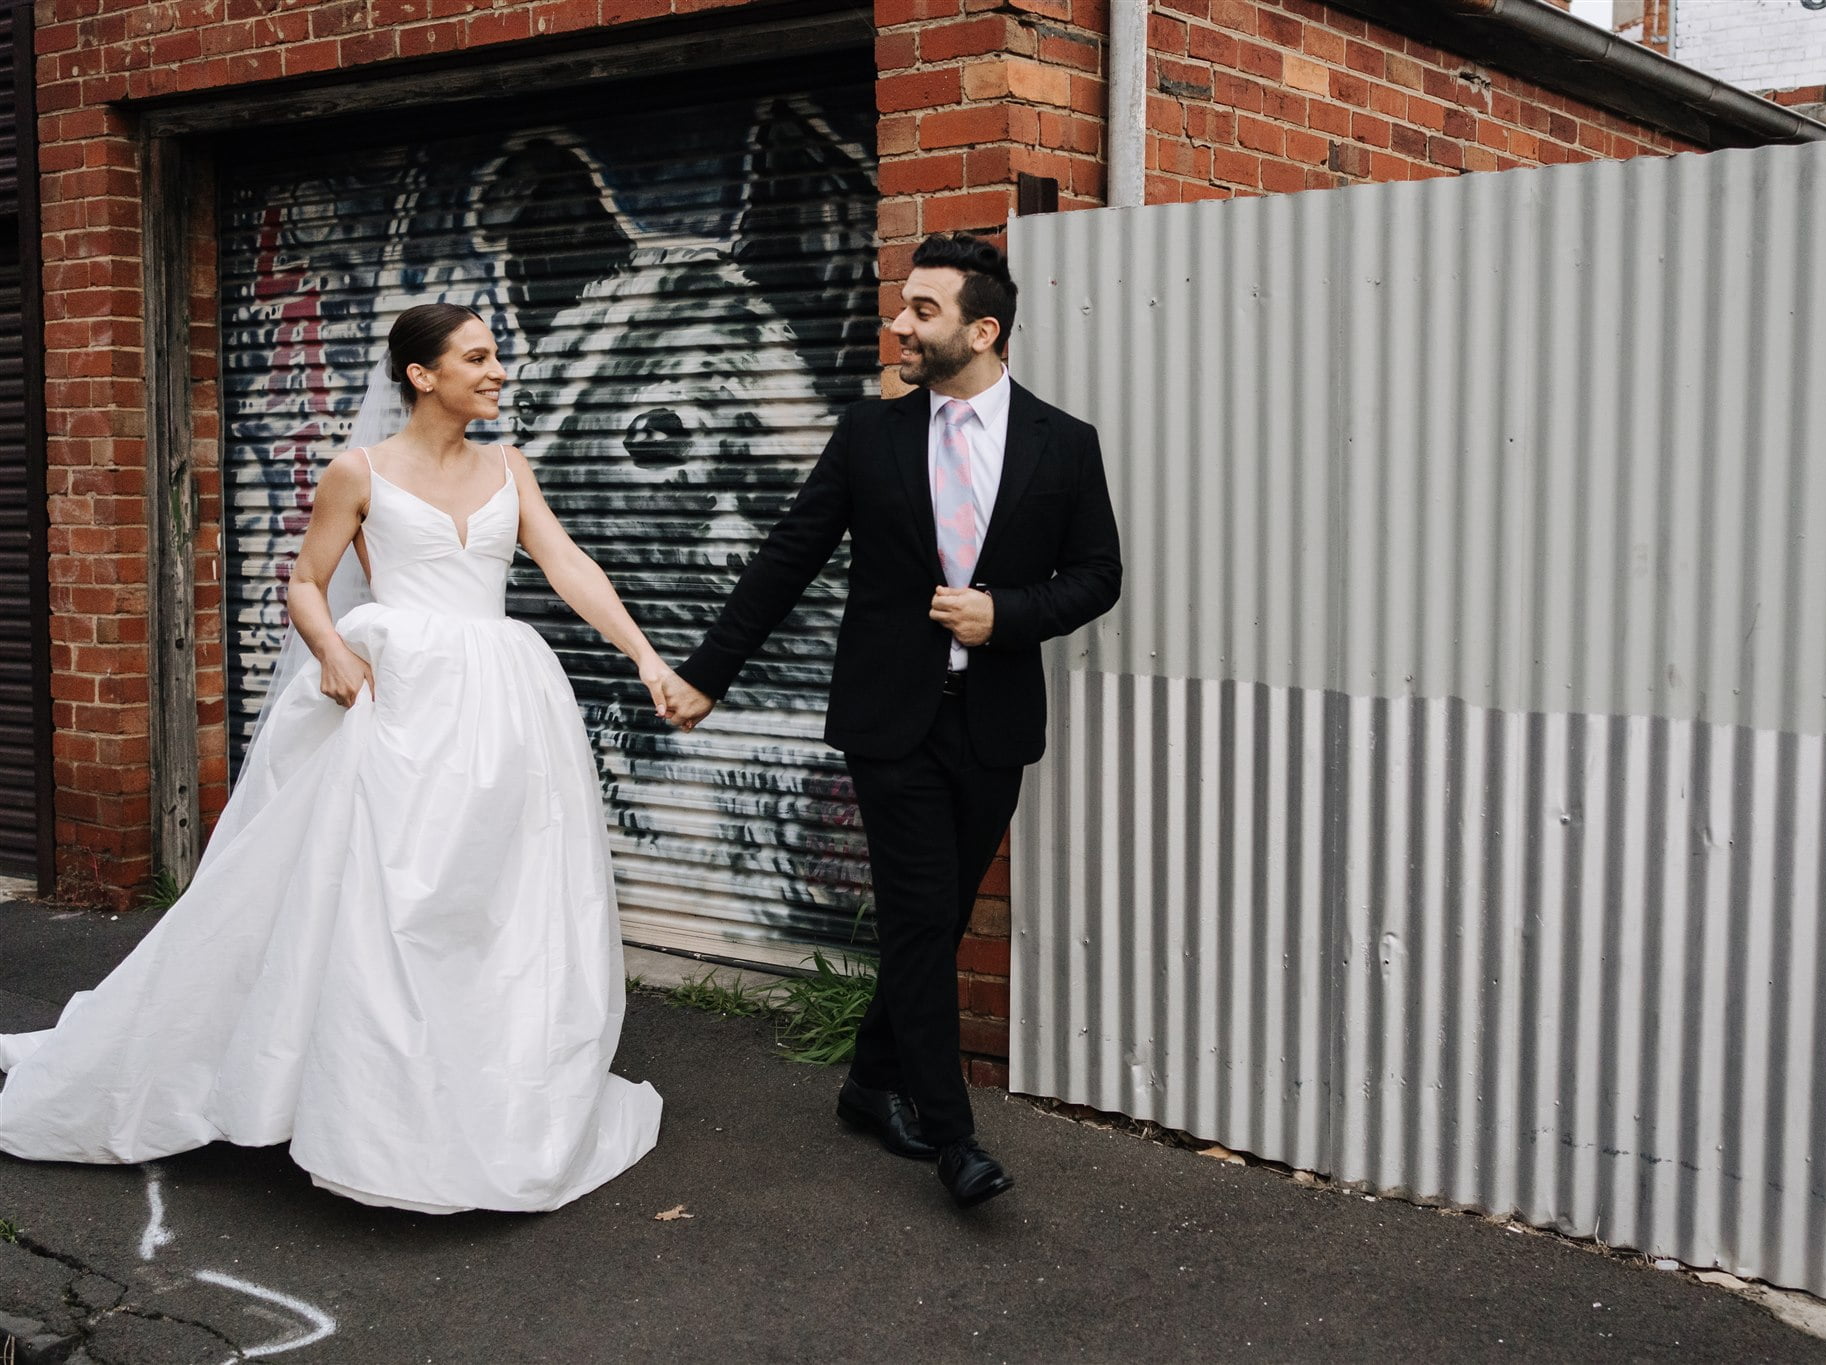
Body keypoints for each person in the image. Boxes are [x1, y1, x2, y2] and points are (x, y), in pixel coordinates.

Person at [0, 303, 688, 1213]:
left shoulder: (508, 467)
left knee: (499, 894)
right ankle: (374, 1107)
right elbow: (306, 582)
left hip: (504, 699)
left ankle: (483, 1079)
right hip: (397, 699)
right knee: (388, 898)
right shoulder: (358, 472)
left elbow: (567, 565)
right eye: (477, 357)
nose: (497, 371)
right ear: (422, 375)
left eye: (495, 356)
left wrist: (647, 658)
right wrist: (330, 649)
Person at [667, 232, 1122, 1208]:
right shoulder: (868, 434)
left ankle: (869, 1082)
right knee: (919, 917)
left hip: (992, 724)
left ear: (982, 330)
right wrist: (709, 674)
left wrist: (1005, 614)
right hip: (889, 720)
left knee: (937, 920)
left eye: (922, 310)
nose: (899, 324)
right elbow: (786, 557)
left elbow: (1097, 575)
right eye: (901, 306)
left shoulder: (1062, 443)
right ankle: (953, 1135)